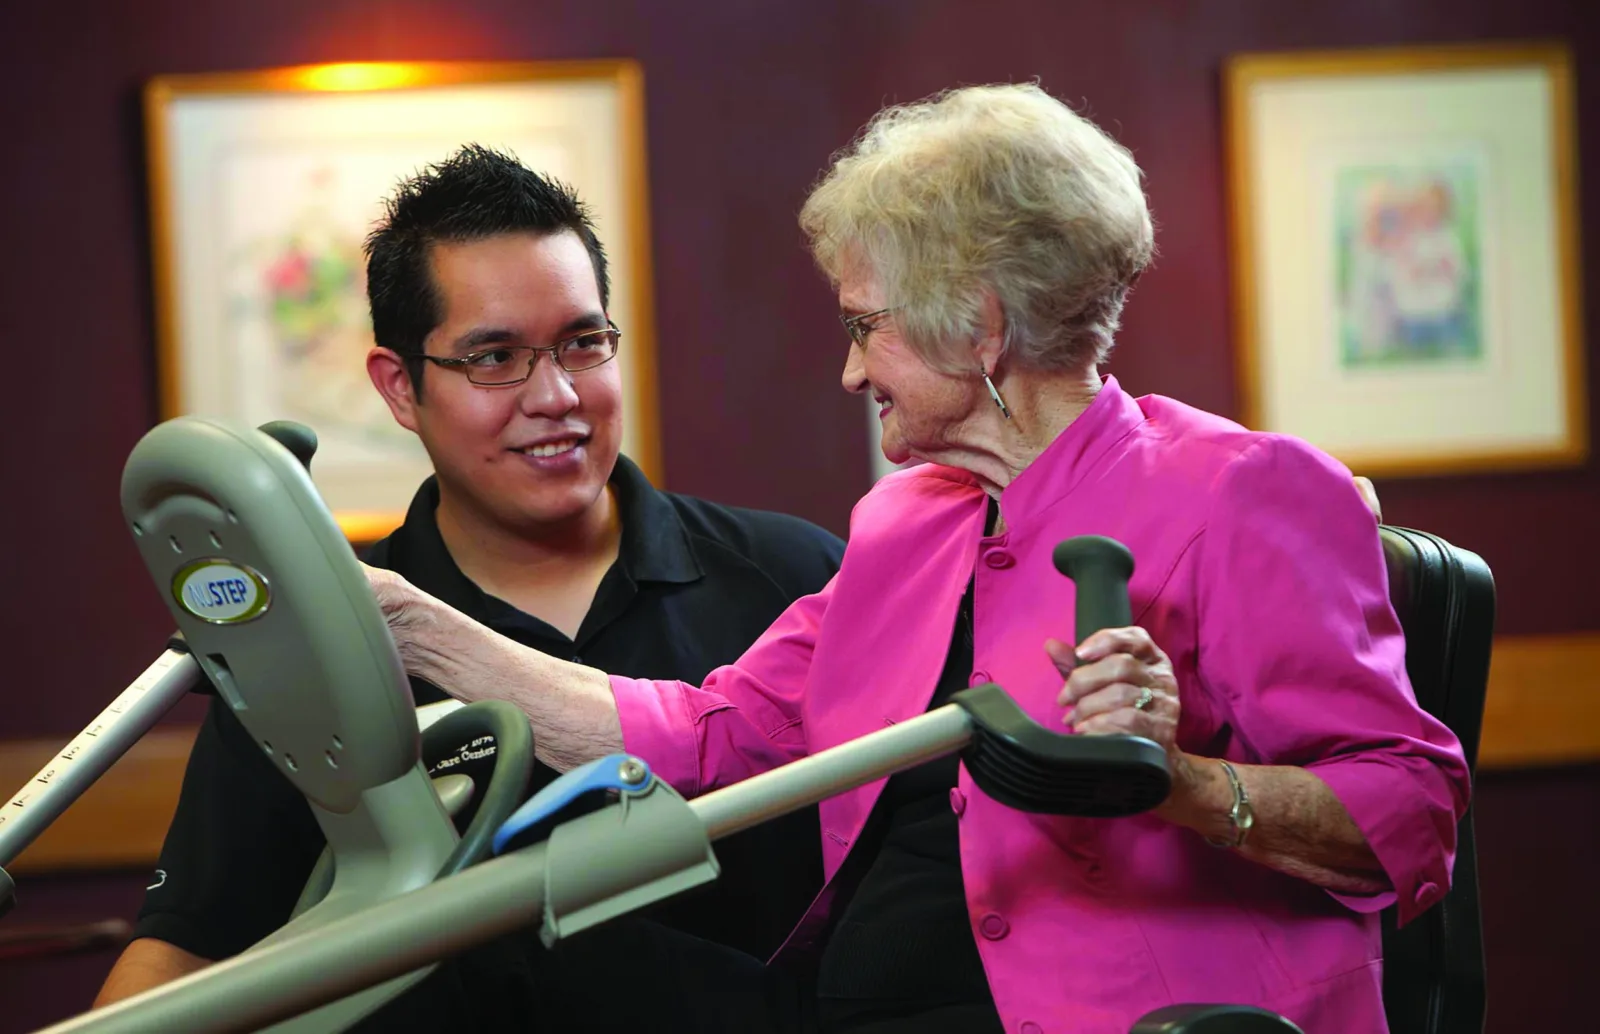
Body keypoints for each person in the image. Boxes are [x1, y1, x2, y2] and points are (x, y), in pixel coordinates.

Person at [362, 84, 1467, 1034]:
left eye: (864, 326)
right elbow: (706, 735)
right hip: (851, 1002)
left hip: (1107, 1013)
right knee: (494, 942)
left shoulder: (1237, 492)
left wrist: (1171, 782)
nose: (851, 373)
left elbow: (1406, 811)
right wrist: (404, 619)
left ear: (976, 328)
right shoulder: (909, 521)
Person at [96, 147, 845, 1020]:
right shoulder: (328, 631)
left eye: (583, 341)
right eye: (494, 357)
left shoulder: (797, 577)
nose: (558, 394)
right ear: (399, 388)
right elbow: (197, 940)